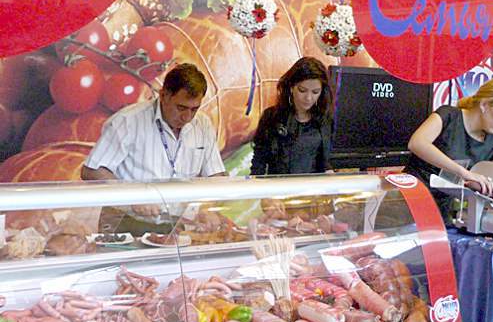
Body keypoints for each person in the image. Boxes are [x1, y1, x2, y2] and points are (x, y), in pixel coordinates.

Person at [81, 63, 225, 227]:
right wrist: (132, 197)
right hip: (127, 222)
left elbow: (216, 175)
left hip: (179, 226)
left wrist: (207, 207)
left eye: (194, 109)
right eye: (181, 108)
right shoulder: (127, 121)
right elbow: (92, 171)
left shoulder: (203, 125)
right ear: (163, 95)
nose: (187, 117)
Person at [405, 78, 493, 221]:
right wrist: (465, 173)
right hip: (411, 198)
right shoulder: (448, 115)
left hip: (443, 212)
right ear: (484, 104)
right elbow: (417, 143)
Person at [250, 56, 333, 175]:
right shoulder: (271, 117)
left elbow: (327, 163)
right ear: (291, 87)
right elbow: (259, 162)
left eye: (315, 92)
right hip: (278, 185)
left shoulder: (325, 120)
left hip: (313, 185)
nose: (308, 98)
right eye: (302, 90)